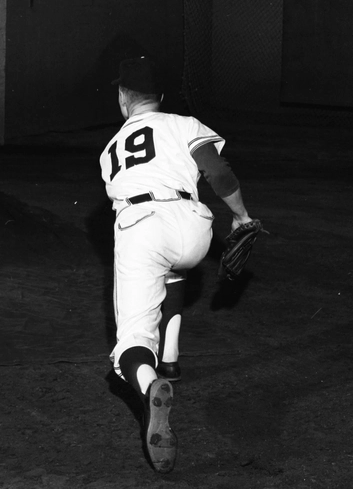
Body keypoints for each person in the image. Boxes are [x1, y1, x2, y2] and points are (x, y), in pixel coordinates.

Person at [99, 56, 255, 473]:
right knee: (175, 266)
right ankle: (171, 357)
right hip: (194, 228)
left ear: (122, 98)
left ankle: (152, 383)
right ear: (161, 98)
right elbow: (218, 173)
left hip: (141, 226)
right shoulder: (184, 123)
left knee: (129, 343)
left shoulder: (110, 149)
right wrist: (241, 217)